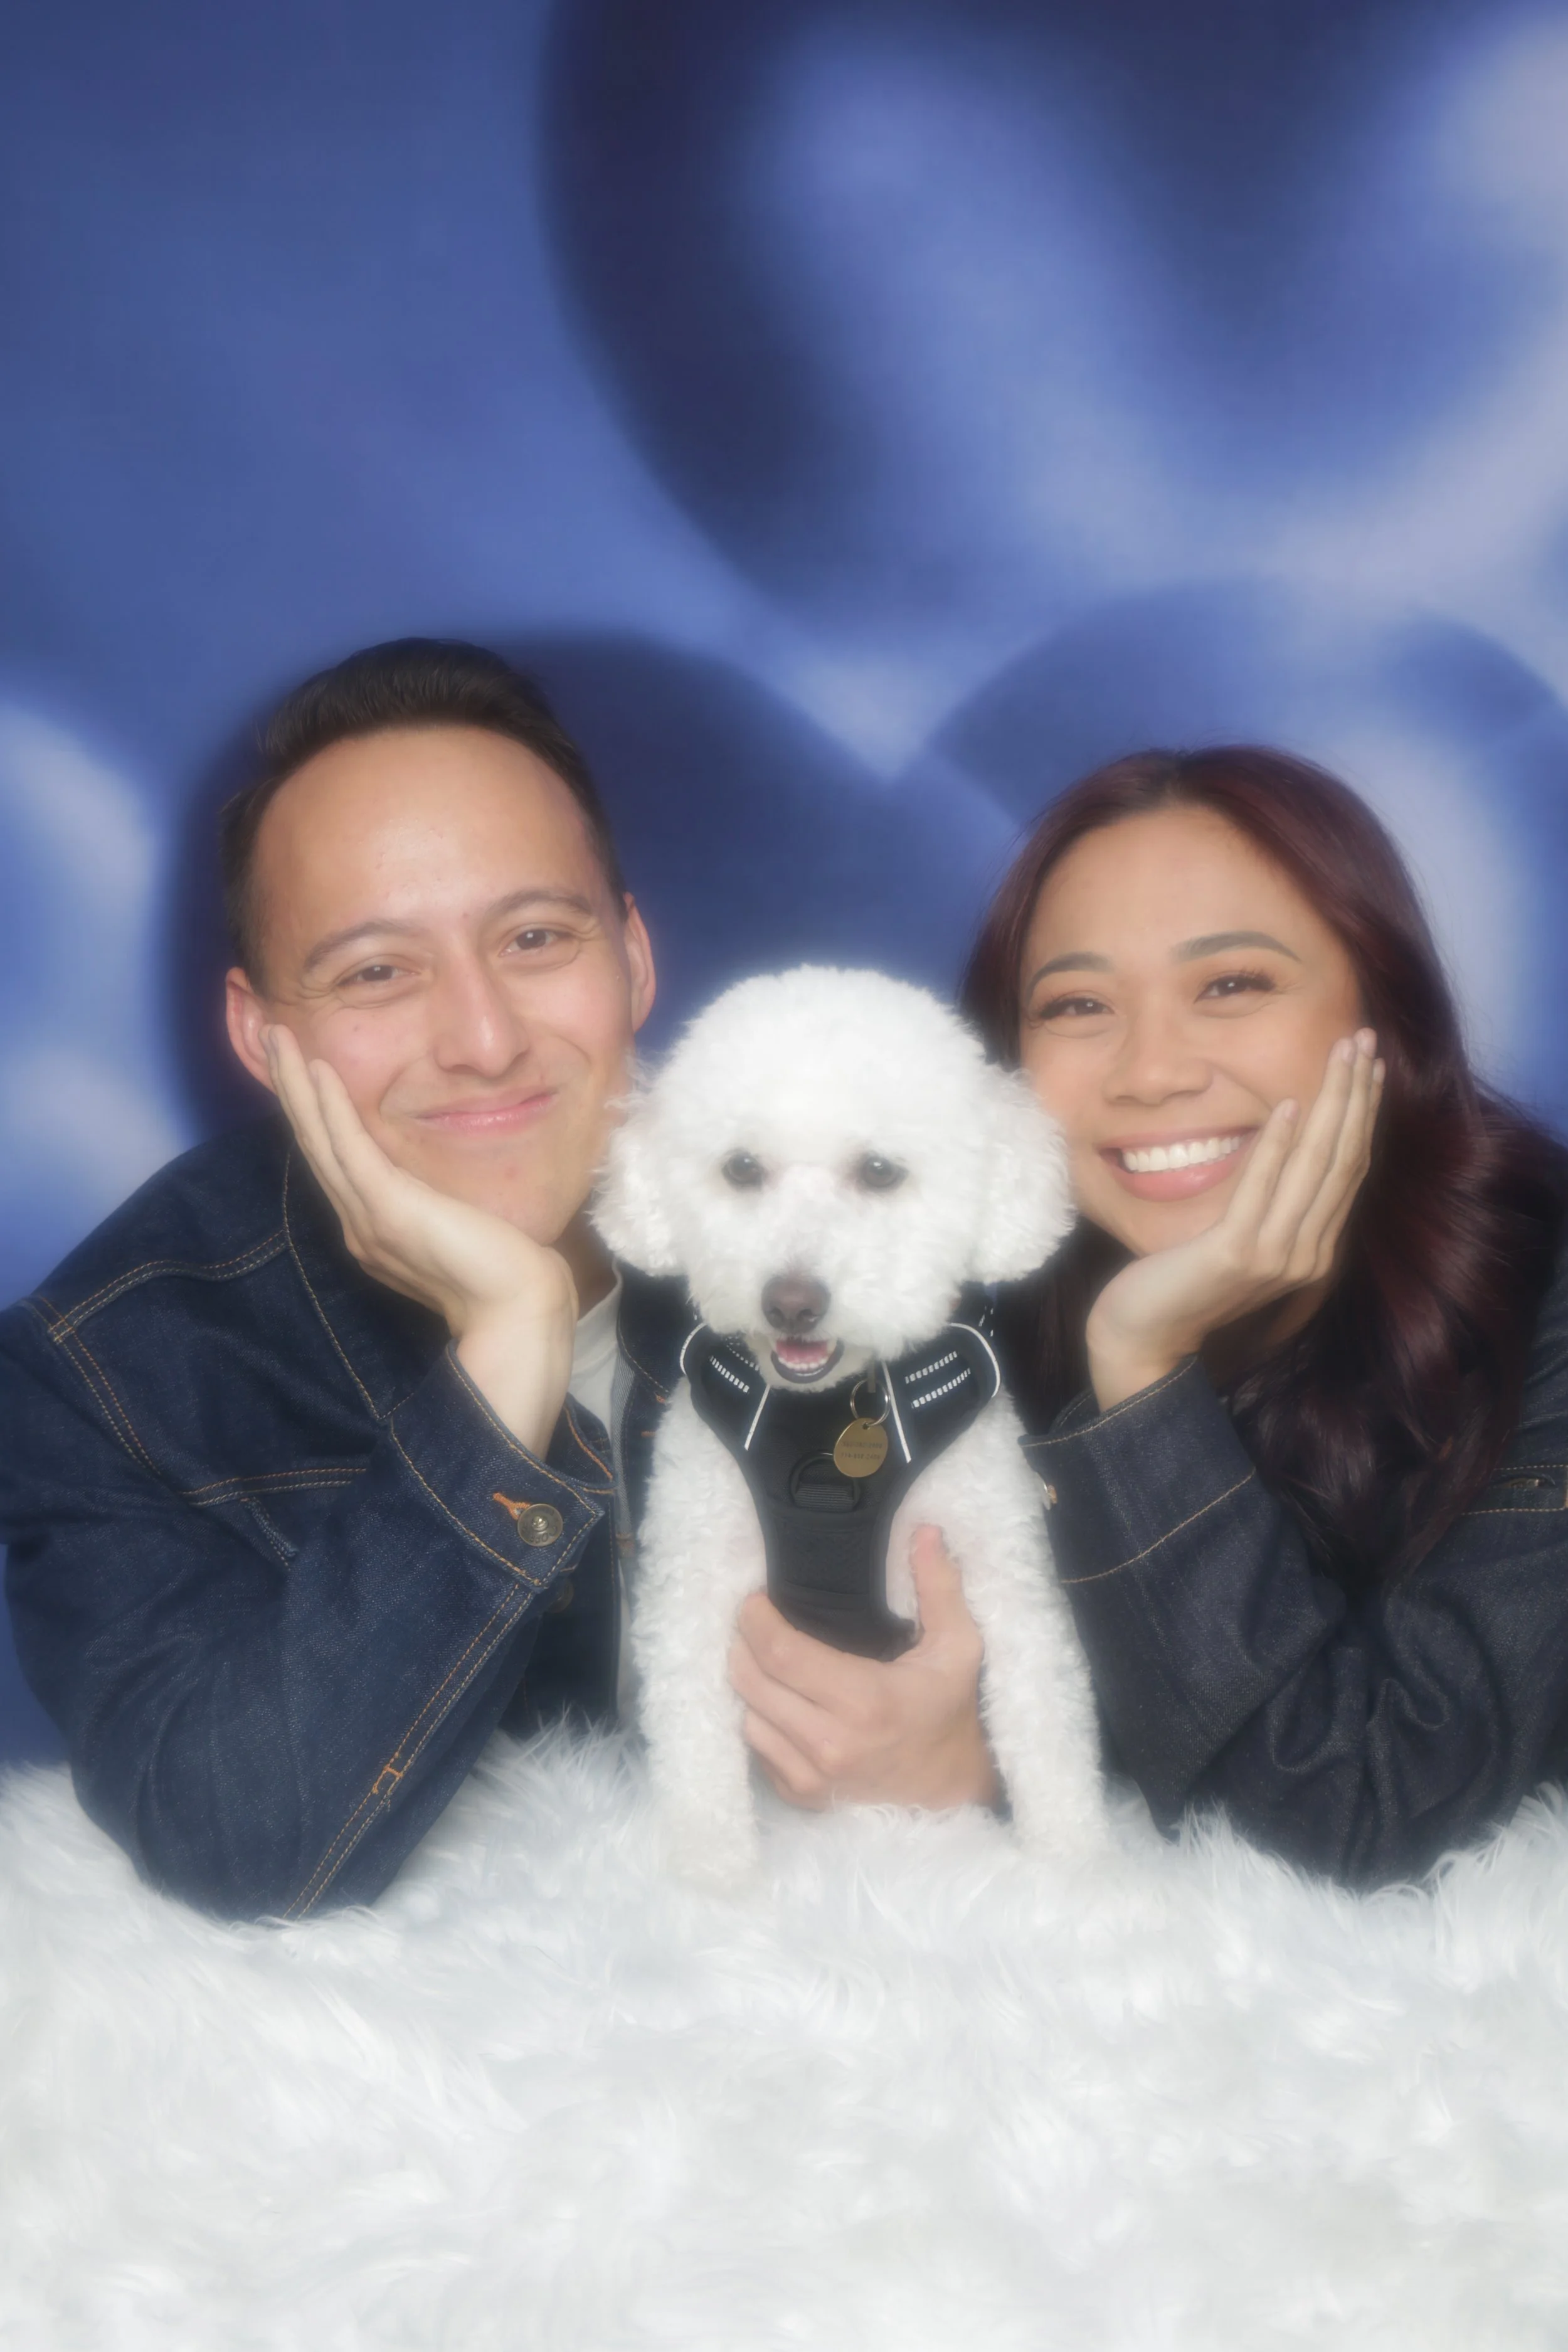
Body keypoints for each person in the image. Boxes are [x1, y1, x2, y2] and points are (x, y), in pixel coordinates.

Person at [0, 637, 990, 1920]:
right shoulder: (102, 1373)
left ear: (633, 958)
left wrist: (966, 1768)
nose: (482, 1040)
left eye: (533, 938)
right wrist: (507, 1349)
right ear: (260, 1033)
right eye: (377, 972)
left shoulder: (862, 1216)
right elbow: (238, 1840)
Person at [960, 744, 1568, 1886]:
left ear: (1383, 1016)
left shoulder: (1545, 1297)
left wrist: (1140, 1365)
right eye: (1078, 1004)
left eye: (1232, 984)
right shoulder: (949, 1319)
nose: (1150, 1072)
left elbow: (1355, 1810)